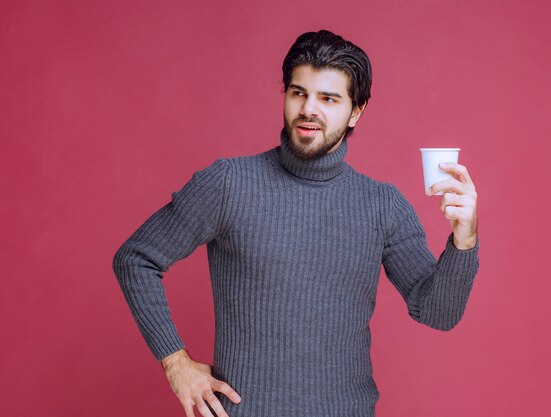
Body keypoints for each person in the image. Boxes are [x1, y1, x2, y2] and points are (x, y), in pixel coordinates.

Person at [113, 29, 479, 417]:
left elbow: (438, 313)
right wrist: (177, 365)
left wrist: (464, 239)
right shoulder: (229, 184)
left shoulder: (382, 205)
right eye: (298, 93)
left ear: (356, 110)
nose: (309, 109)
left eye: (328, 98)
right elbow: (135, 258)